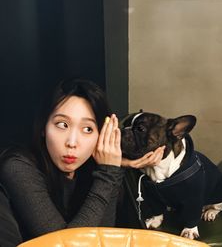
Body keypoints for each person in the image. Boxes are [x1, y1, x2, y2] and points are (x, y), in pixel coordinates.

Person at [0, 78, 165, 242]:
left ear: (100, 136)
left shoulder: (92, 167)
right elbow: (67, 244)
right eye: (62, 124)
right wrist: (108, 174)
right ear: (44, 127)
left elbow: (103, 237)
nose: (72, 143)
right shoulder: (17, 166)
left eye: (87, 129)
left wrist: (115, 167)